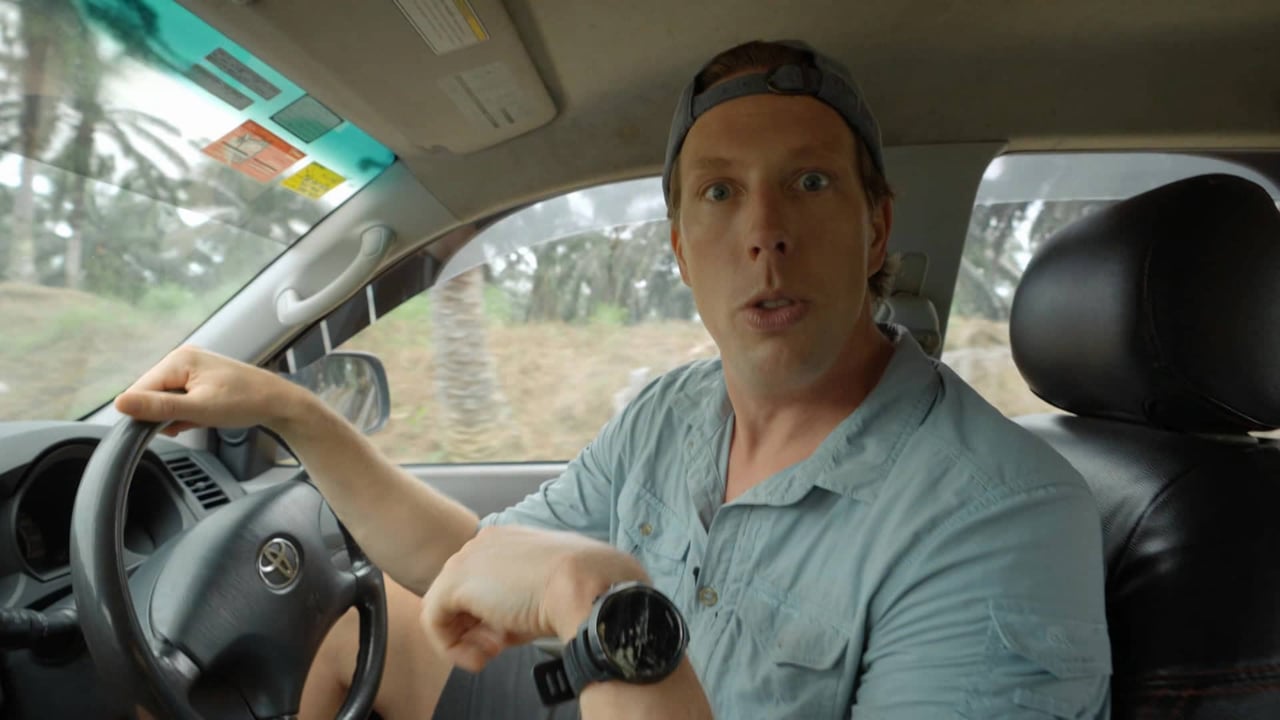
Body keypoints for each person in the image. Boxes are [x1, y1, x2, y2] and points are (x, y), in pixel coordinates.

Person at [116, 40, 1111, 719]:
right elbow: (475, 562)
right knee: (345, 622)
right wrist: (290, 411)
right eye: (720, 193)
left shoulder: (1000, 517)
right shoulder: (674, 411)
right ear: (680, 249)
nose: (764, 232)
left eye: (809, 182)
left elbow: (567, 587)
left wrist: (601, 601)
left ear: (875, 228)